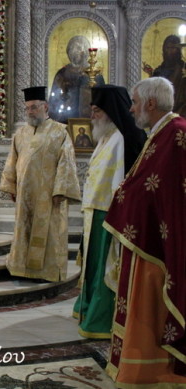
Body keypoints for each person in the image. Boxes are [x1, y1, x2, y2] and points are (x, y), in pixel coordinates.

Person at [103, 77, 186, 386]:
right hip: (146, 237)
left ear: (151, 103)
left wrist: (125, 200)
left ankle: (154, 371)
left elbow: (167, 192)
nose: (131, 108)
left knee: (153, 305)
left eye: (135, 102)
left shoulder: (176, 134)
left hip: (161, 242)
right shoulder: (161, 133)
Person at [72, 85, 146, 339]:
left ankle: (102, 318)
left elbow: (124, 181)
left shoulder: (124, 138)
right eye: (92, 110)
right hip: (95, 213)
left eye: (97, 111)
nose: (92, 116)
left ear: (111, 111)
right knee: (93, 267)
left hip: (110, 215)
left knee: (106, 268)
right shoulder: (105, 136)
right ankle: (88, 309)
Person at [0, 86, 80, 282]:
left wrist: (60, 190)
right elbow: (12, 161)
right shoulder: (21, 133)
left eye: (34, 107)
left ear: (45, 107)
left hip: (49, 195)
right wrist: (11, 186)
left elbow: (66, 162)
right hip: (25, 194)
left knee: (50, 231)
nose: (30, 112)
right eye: (27, 108)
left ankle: (47, 271)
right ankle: (21, 268)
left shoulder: (60, 132)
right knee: (24, 230)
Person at [48, 35, 105, 123]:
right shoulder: (62, 74)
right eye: (71, 49)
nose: (74, 51)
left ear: (85, 52)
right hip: (65, 121)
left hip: (90, 121)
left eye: (78, 48)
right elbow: (54, 102)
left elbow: (103, 101)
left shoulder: (95, 74)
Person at [144, 34, 186, 117]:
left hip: (180, 110)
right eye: (168, 48)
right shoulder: (159, 70)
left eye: (173, 48)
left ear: (178, 50)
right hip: (161, 110)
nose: (170, 51)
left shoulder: (183, 67)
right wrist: (151, 74)